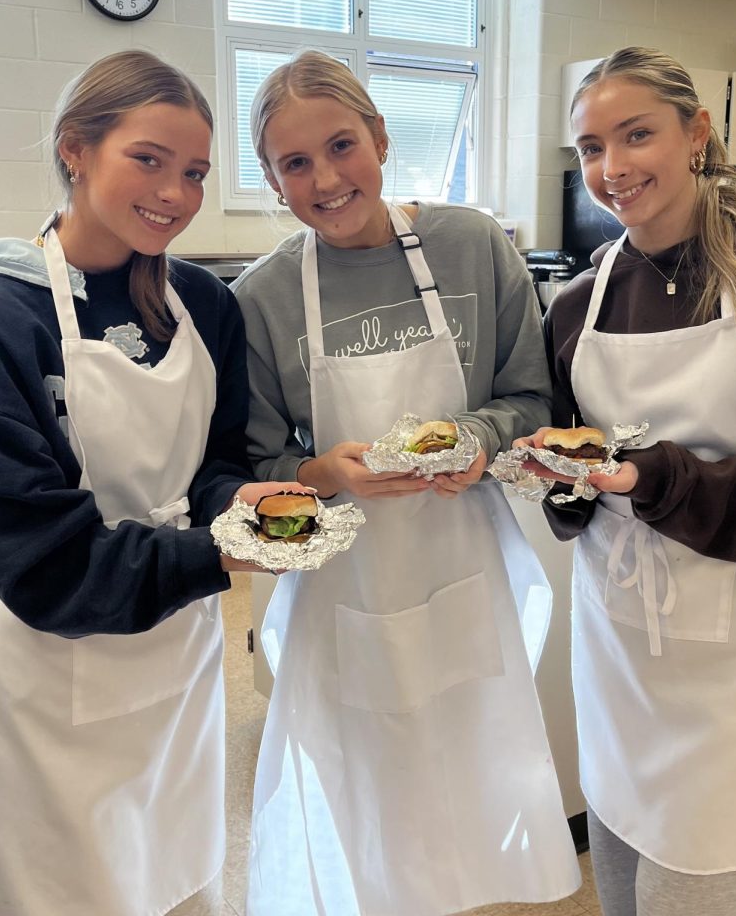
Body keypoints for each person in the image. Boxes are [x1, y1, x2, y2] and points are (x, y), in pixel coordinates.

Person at [0, 50, 307, 916]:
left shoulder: (203, 305)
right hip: (54, 679)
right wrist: (223, 550)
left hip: (175, 655)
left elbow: (212, 466)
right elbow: (44, 560)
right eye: (149, 160)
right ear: (75, 149)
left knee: (175, 876)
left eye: (196, 173)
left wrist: (237, 503)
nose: (174, 193)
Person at [520, 46, 736, 916]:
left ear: (697, 133)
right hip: (617, 653)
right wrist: (556, 477)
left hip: (735, 671)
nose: (613, 168)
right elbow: (578, 481)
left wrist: (650, 477)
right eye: (592, 147)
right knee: (627, 889)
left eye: (637, 135)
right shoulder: (576, 306)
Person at [232, 50, 581, 916]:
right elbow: (252, 471)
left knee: (468, 793)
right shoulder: (264, 297)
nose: (327, 178)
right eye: (295, 164)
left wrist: (474, 437)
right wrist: (318, 475)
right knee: (361, 805)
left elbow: (529, 395)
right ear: (274, 185)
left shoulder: (471, 246)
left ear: (381, 139)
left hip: (463, 574)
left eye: (343, 145)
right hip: (342, 596)